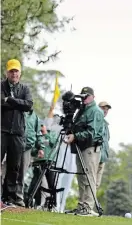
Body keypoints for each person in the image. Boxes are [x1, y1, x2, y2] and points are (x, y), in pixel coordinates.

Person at [64, 87, 104, 216]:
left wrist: (75, 136)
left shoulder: (96, 111)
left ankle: (88, 206)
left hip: (90, 148)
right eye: (82, 96)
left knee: (89, 177)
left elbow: (92, 133)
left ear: (93, 96)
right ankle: (81, 205)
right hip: (80, 147)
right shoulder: (82, 110)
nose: (84, 98)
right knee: (81, 177)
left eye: (86, 95)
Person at [1, 59, 33, 206]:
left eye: (16, 71)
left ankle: (9, 198)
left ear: (20, 73)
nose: (14, 73)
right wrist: (17, 103)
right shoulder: (1, 86)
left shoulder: (25, 89)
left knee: (14, 167)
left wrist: (11, 100)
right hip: (2, 131)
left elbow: (29, 105)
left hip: (18, 133)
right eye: (11, 71)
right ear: (6, 72)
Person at [27, 124, 59, 209]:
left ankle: (54, 203)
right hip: (38, 162)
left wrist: (45, 133)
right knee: (36, 182)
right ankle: (34, 202)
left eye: (43, 125)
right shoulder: (37, 135)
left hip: (50, 161)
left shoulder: (52, 133)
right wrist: (37, 151)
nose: (41, 127)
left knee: (51, 183)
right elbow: (32, 150)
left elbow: (54, 144)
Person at [96, 101, 112, 189]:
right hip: (95, 156)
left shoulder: (106, 124)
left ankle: (91, 202)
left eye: (107, 109)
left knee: (96, 184)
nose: (105, 111)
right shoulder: (96, 120)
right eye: (103, 108)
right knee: (89, 183)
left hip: (103, 158)